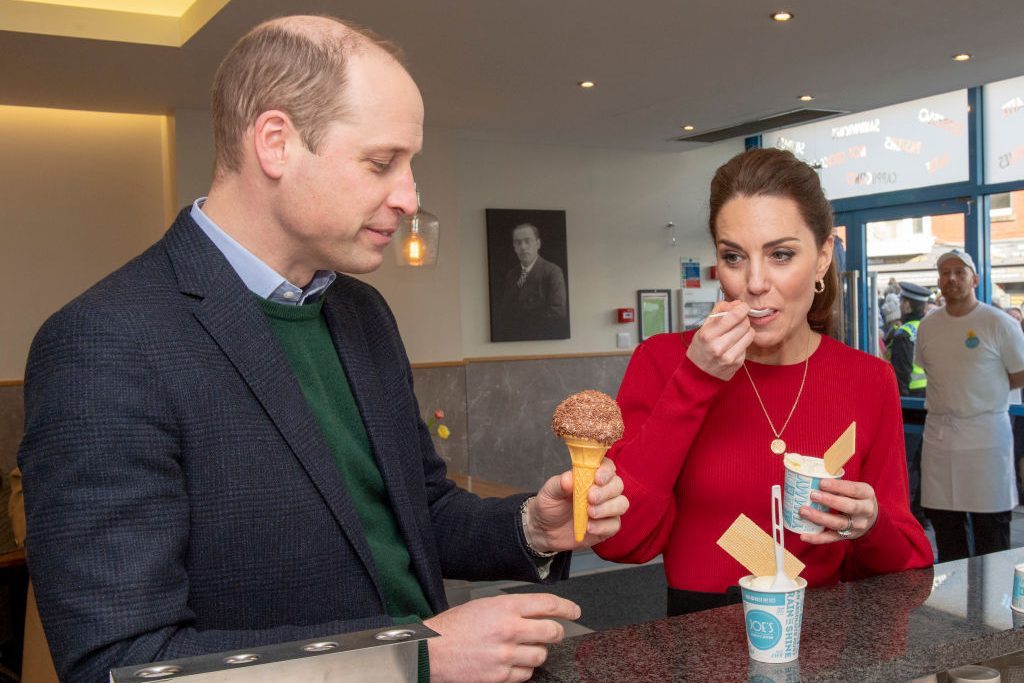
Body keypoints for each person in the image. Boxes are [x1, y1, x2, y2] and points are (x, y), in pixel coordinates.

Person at [17, 16, 629, 683]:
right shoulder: (103, 344)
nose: (408, 198)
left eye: (411, 165)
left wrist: (529, 528)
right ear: (276, 143)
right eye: (381, 162)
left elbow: (418, 508)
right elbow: (121, 663)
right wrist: (414, 655)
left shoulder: (363, 314)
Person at [594, 148, 932, 615]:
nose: (754, 282)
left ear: (822, 257)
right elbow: (621, 541)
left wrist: (869, 522)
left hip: (827, 639)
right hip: (697, 640)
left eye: (781, 255)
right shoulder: (664, 361)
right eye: (734, 257)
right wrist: (695, 380)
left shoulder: (867, 378)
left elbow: (906, 566)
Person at [916, 249, 1024, 562]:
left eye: (959, 272)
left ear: (974, 278)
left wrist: (981, 398)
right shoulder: (928, 326)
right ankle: (952, 607)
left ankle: (993, 607)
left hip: (985, 439)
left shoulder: (999, 323)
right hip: (940, 439)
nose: (951, 278)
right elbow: (933, 372)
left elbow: (1018, 375)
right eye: (945, 272)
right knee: (947, 530)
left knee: (991, 531)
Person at [885, 281, 932, 526]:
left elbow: (901, 373)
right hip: (929, 401)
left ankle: (913, 513)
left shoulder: (904, 334)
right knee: (926, 460)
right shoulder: (930, 327)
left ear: (905, 304)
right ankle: (924, 511)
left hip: (910, 404)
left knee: (910, 462)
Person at [496, 223, 569, 340]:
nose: (523, 247)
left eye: (527, 241)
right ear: (514, 247)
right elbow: (505, 311)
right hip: (512, 340)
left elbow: (558, 313)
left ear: (538, 244)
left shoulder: (552, 272)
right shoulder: (511, 275)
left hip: (541, 339)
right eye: (518, 243)